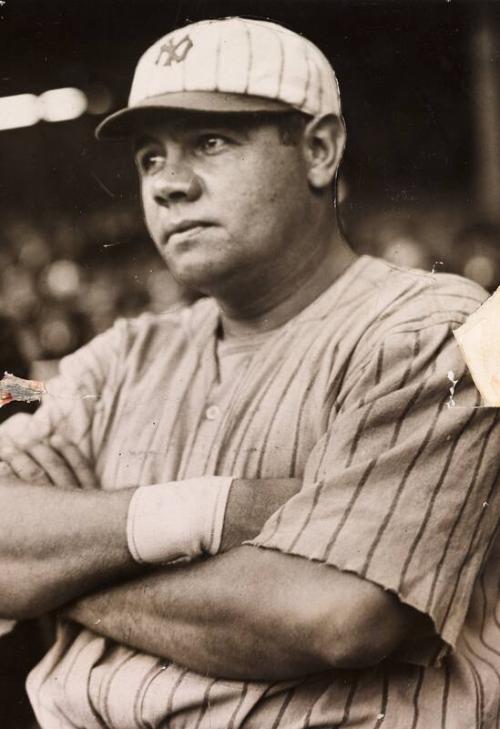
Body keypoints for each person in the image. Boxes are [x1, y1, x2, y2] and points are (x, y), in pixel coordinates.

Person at [0, 16, 499, 729]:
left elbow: (332, 614)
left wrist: (52, 578)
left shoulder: (447, 330)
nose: (168, 185)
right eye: (149, 158)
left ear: (320, 150)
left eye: (210, 142)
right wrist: (211, 513)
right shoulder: (125, 354)